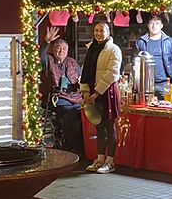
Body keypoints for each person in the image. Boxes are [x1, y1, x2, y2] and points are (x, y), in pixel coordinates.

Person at [81, 21, 122, 174]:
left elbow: (112, 73)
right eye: (96, 30)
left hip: (106, 91)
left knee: (109, 126)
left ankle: (110, 161)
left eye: (101, 31)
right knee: (98, 125)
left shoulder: (114, 49)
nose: (98, 33)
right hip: (93, 92)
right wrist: (86, 91)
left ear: (108, 33)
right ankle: (99, 159)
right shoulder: (91, 48)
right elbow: (85, 71)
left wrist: (97, 93)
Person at [42, 38, 84, 157]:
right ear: (53, 49)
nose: (61, 51)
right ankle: (69, 148)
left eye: (64, 49)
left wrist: (81, 82)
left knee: (82, 113)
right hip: (58, 97)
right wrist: (46, 43)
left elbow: (82, 78)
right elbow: (39, 57)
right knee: (70, 113)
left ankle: (81, 147)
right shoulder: (48, 60)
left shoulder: (72, 62)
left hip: (75, 95)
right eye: (58, 48)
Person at [133, 13, 172, 99]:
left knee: (166, 106)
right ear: (148, 25)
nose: (154, 26)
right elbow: (135, 63)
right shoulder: (140, 42)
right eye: (152, 23)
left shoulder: (170, 42)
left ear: (161, 26)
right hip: (145, 84)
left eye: (157, 23)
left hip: (165, 83)